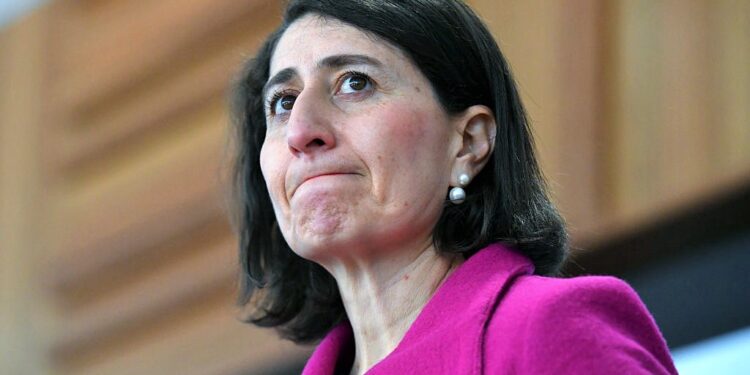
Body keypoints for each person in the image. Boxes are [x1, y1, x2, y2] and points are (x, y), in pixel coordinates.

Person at [229, 0, 678, 374]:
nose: (300, 130)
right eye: (283, 103)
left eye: (355, 83)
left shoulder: (551, 331)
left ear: (468, 143)